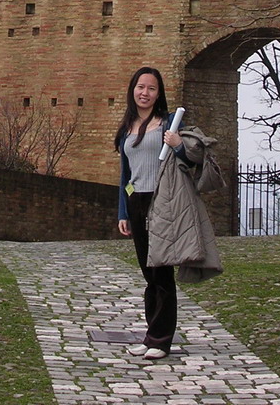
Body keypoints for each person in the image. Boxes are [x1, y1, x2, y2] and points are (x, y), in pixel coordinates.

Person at [115, 66, 182, 361]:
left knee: (161, 269)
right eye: (141, 87)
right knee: (147, 270)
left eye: (151, 88)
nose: (145, 93)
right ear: (133, 90)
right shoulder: (126, 128)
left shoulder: (168, 123)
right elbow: (124, 176)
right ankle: (151, 334)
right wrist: (123, 212)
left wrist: (178, 146)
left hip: (161, 200)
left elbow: (189, 162)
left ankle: (161, 339)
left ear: (159, 93)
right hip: (136, 200)